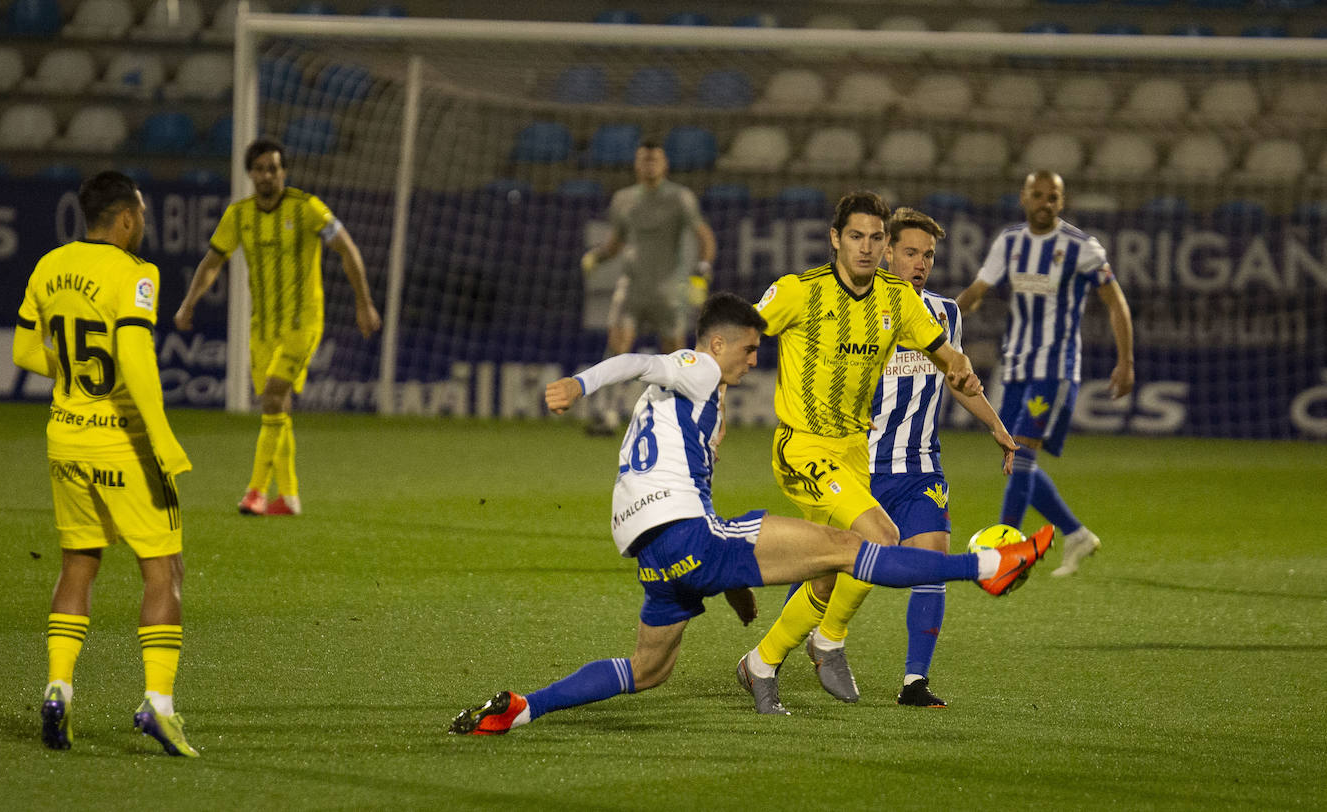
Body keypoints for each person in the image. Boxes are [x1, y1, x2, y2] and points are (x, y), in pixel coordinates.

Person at [448, 293, 1053, 734]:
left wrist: (733, 581)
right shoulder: (697, 367)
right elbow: (637, 361)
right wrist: (578, 385)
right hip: (689, 535)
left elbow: (689, 489)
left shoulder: (686, 410)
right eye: (749, 348)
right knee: (847, 546)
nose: (753, 360)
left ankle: (522, 708)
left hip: (657, 557)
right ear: (717, 343)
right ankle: (989, 564)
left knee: (646, 669)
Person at [738, 191, 999, 714]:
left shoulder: (895, 299)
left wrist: (957, 363)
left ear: (884, 245)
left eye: (875, 238)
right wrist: (711, 402)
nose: (866, 247)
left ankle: (761, 663)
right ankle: (828, 639)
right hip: (802, 446)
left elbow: (941, 348)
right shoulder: (797, 292)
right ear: (836, 239)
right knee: (880, 536)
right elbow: (740, 333)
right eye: (855, 236)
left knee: (830, 569)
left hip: (854, 449)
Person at [13, 171, 199, 757]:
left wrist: (72, 375)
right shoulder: (136, 275)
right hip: (124, 445)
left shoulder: (48, 267)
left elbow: (22, 351)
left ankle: (59, 689)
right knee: (163, 571)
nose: (142, 223)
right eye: (139, 214)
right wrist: (164, 442)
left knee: (78, 564)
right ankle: (159, 706)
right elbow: (137, 361)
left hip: (66, 439)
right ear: (125, 219)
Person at [174, 137, 382, 516]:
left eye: (273, 168)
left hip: (304, 323)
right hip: (263, 328)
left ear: (283, 171)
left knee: (271, 397)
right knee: (277, 407)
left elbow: (347, 249)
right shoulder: (239, 216)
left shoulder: (307, 209)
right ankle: (288, 496)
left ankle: (255, 491)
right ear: (250, 174)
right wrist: (189, 302)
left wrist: (363, 302)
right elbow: (212, 263)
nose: (267, 175)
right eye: (260, 169)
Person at [862, 207, 1017, 707]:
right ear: (887, 251)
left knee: (931, 564)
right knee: (835, 572)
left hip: (921, 466)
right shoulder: (859, 310)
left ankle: (914, 681)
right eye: (910, 252)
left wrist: (996, 426)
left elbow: (959, 380)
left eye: (927, 254)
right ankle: (769, 658)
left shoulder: (945, 313)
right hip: (858, 467)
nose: (920, 262)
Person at [957, 170, 1134, 578]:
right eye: (1037, 195)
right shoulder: (1011, 242)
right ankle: (1076, 534)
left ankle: (1007, 555)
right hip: (1016, 365)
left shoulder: (1081, 247)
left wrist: (1125, 361)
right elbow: (976, 293)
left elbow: (1115, 303)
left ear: (1062, 200)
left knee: (1019, 457)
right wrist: (935, 322)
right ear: (1023, 198)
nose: (1045, 203)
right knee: (1015, 457)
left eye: (1052, 196)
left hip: (1054, 370)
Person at [579, 140, 717, 434]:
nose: (649, 165)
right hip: (631, 288)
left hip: (668, 290)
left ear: (665, 164)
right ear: (636, 165)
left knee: (675, 358)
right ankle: (609, 414)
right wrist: (597, 256)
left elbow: (704, 237)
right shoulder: (623, 199)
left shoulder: (680, 198)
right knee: (617, 351)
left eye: (655, 160)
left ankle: (678, 418)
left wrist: (701, 272)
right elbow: (616, 243)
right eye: (644, 160)